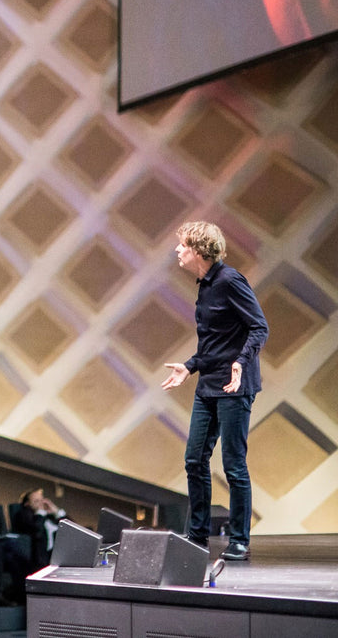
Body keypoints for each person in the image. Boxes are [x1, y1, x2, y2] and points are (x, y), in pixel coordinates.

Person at [161, 221, 268, 562]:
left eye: (182, 245)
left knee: (233, 465)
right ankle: (197, 536)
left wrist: (241, 362)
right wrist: (189, 366)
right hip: (209, 384)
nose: (177, 250)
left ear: (198, 250)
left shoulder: (230, 281)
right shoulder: (205, 286)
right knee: (194, 459)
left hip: (234, 386)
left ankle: (239, 540)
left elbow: (258, 326)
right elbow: (213, 343)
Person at [12, 488, 66, 572]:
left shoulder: (49, 517)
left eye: (42, 500)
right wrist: (40, 513)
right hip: (40, 559)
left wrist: (56, 511)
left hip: (59, 555)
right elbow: (37, 533)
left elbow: (72, 528)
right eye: (36, 501)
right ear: (27, 504)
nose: (41, 504)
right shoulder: (24, 515)